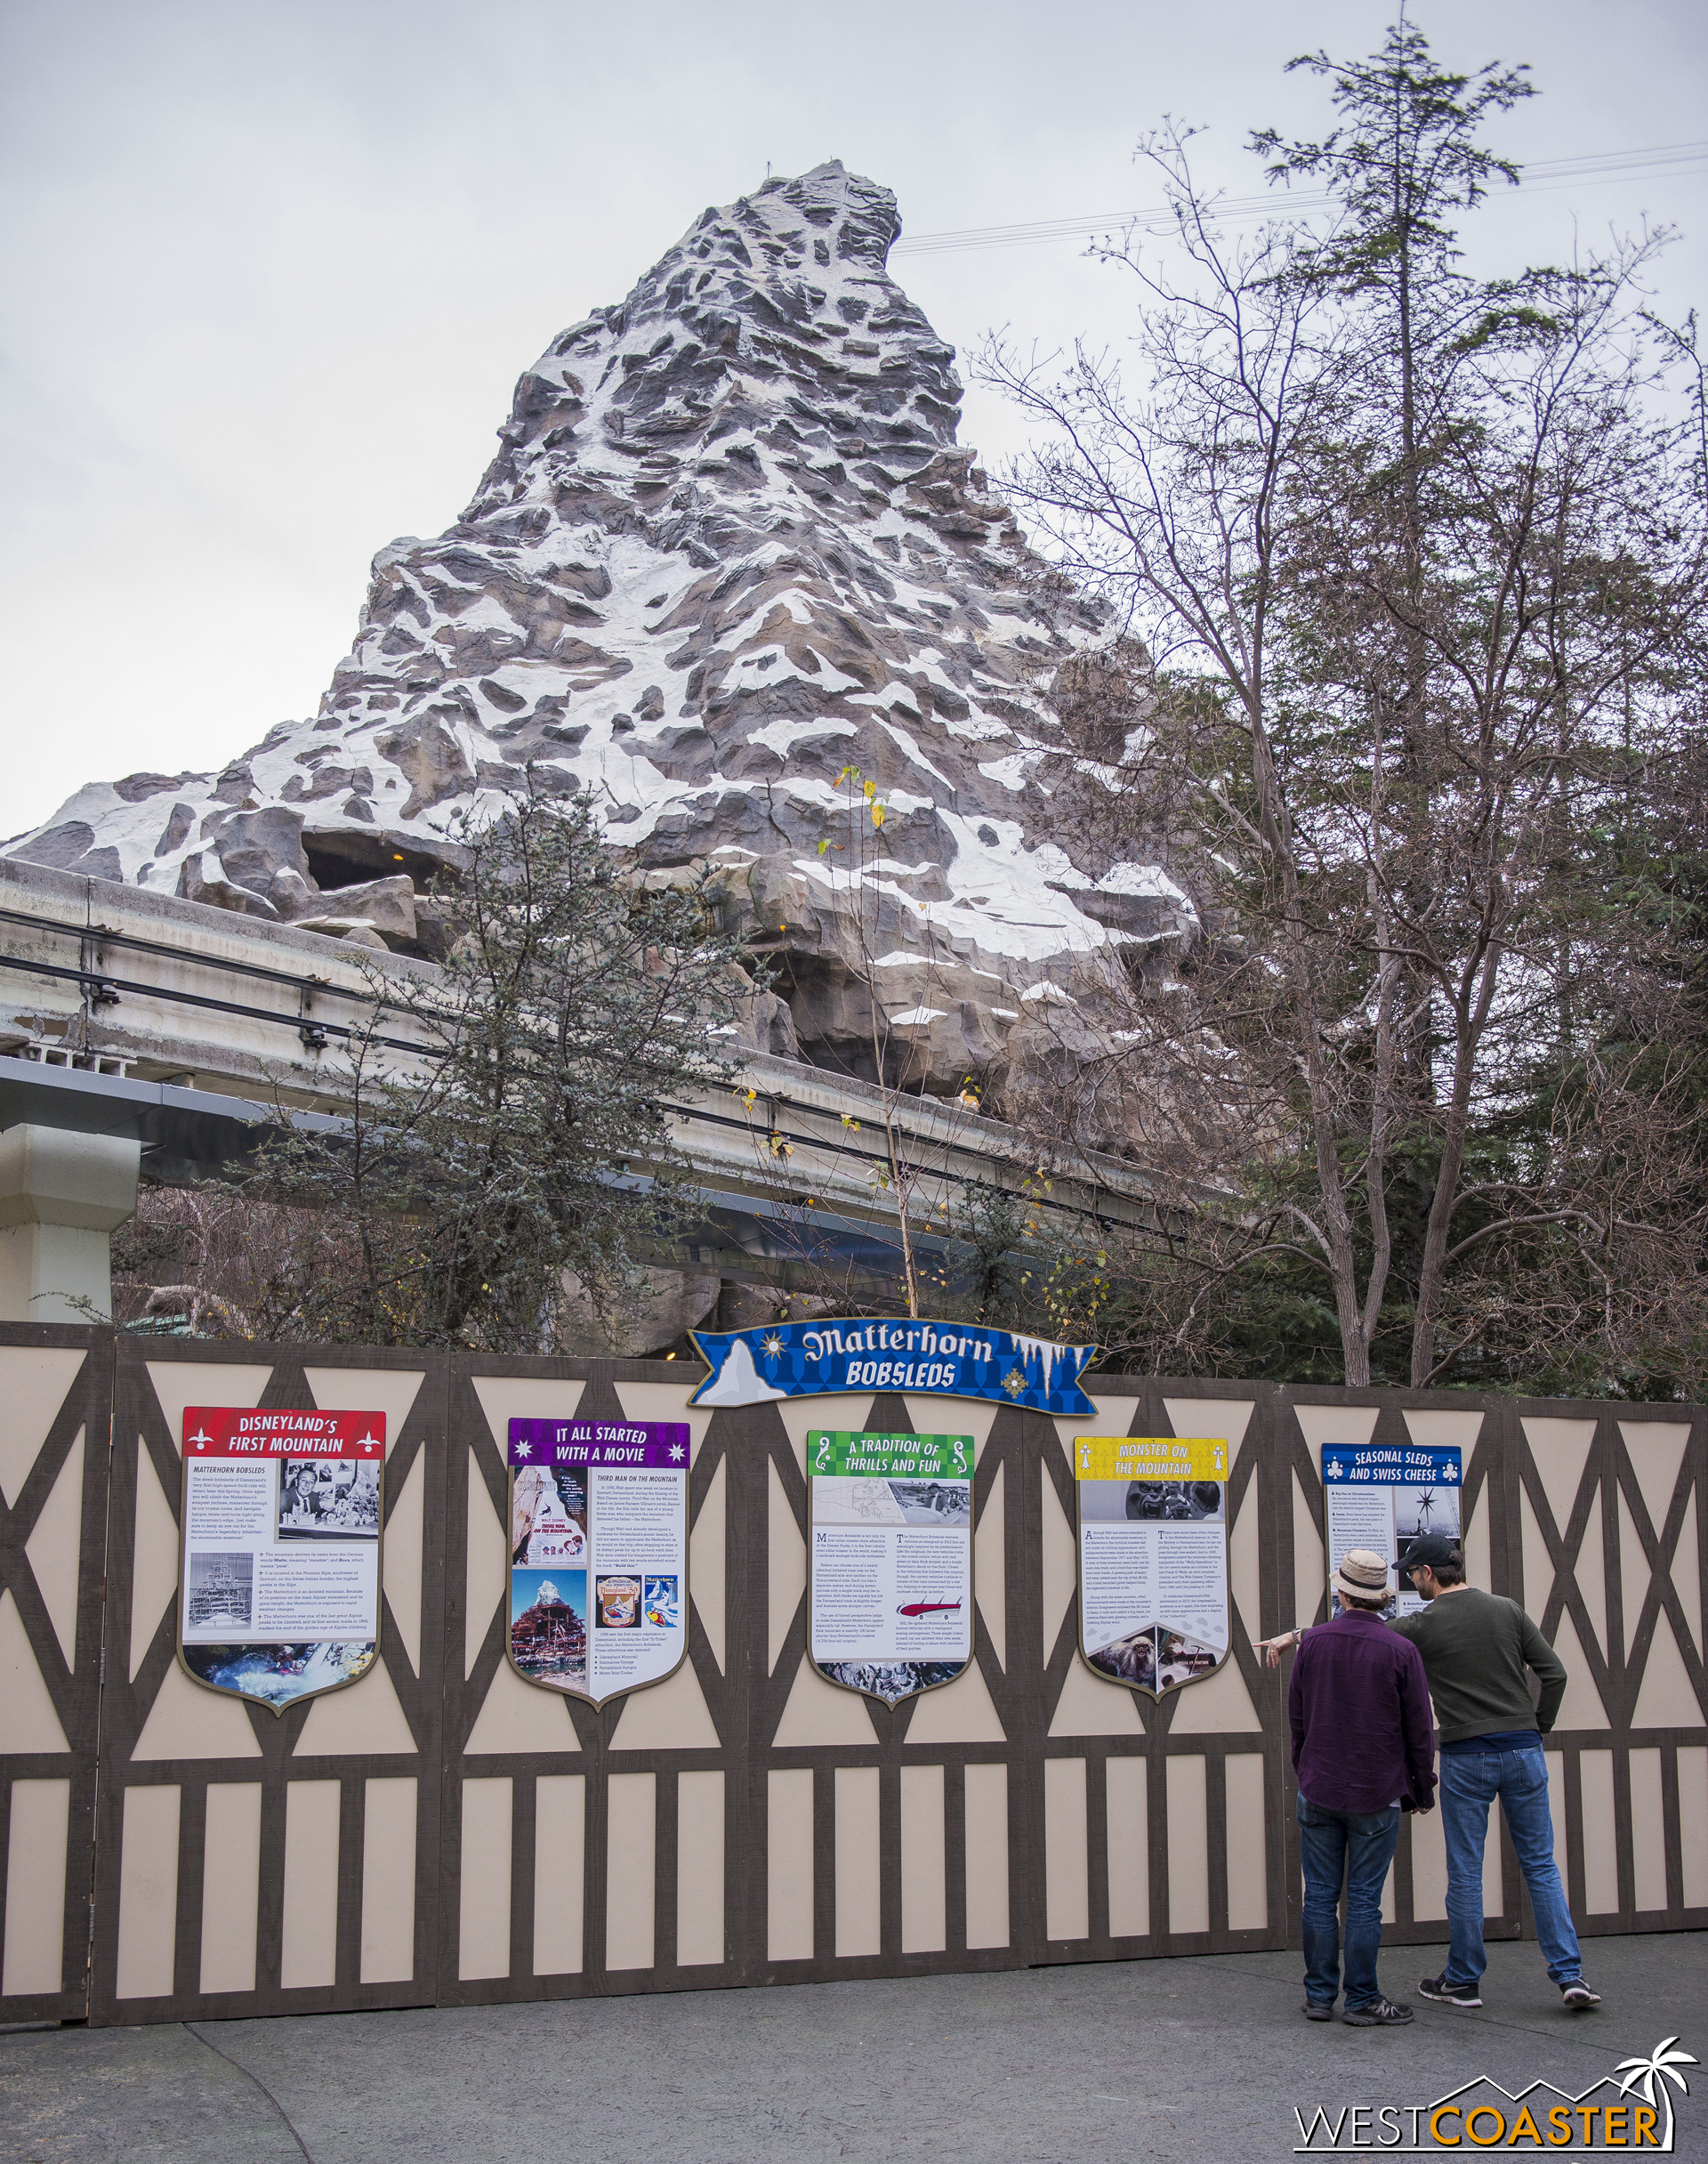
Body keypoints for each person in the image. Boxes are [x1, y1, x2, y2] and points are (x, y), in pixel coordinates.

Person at [1261, 1531, 1601, 2014]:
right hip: (1523, 1750)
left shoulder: (1421, 1625)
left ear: (1426, 1574)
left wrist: (1293, 1636)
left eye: (1412, 1574)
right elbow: (1555, 1674)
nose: (1409, 1582)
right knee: (1541, 1865)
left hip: (1465, 1755)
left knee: (1464, 1869)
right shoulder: (1507, 1609)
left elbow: (1351, 1635)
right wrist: (1535, 1726)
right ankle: (1570, 1974)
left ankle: (1463, 1980)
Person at [1287, 1546, 1436, 2026]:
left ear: (1341, 1593)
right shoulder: (1401, 1650)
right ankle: (1361, 2000)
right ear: (1382, 1600)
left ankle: (1318, 1996)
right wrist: (1422, 1787)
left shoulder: (1312, 1644)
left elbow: (1298, 1719)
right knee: (1365, 1900)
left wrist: (1306, 1770)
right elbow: (1419, 1729)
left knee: (1320, 1896)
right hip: (1377, 1790)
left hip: (1320, 1786)